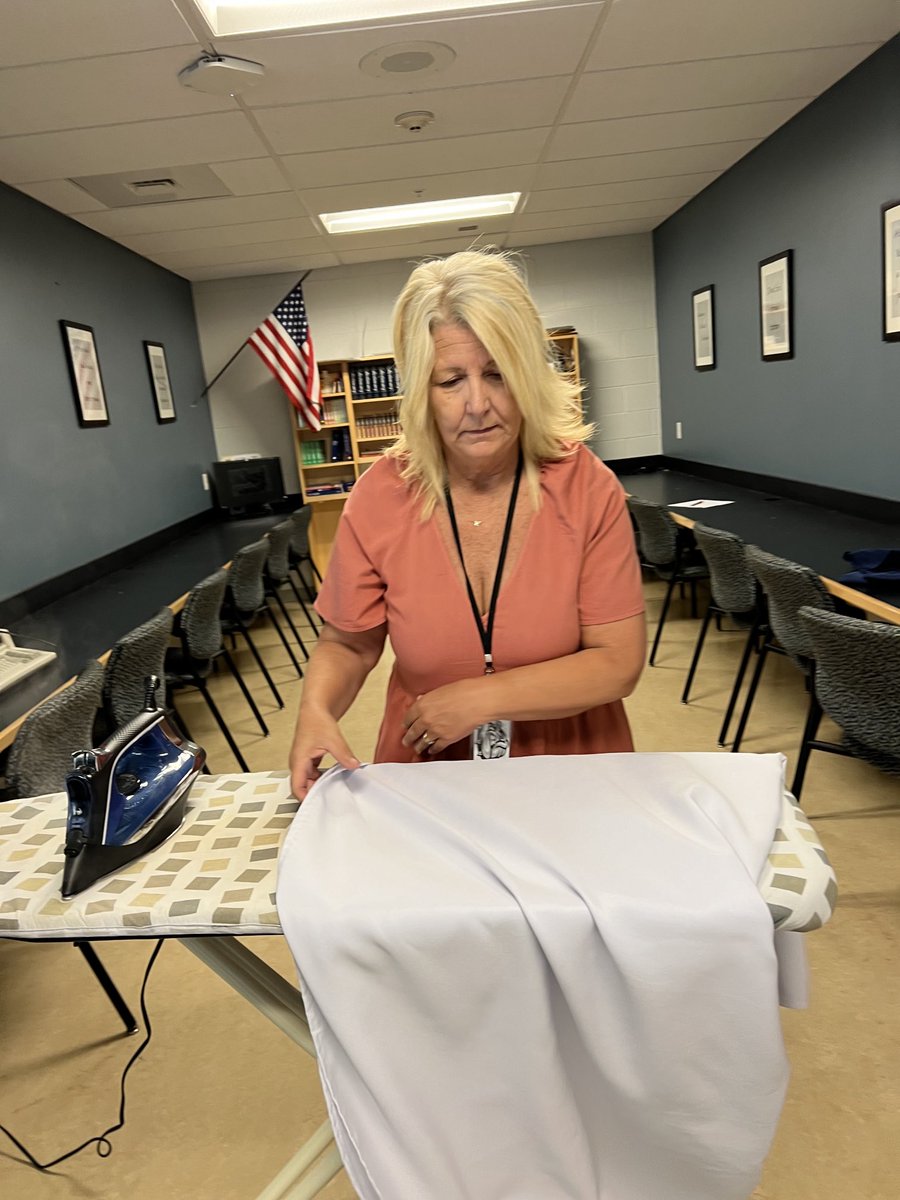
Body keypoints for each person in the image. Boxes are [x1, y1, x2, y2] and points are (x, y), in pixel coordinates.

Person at [289, 249, 646, 799]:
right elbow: (350, 644)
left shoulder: (586, 487)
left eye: (497, 374)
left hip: (574, 769)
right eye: (450, 380)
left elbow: (617, 663)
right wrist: (315, 711)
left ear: (528, 374)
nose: (477, 403)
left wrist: (480, 699)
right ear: (419, 393)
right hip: (428, 767)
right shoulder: (379, 497)